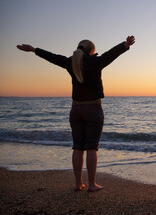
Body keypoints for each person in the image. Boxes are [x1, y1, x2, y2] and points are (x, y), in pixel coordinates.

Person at [17, 36, 135, 192]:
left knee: (78, 147)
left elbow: (53, 57)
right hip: (93, 108)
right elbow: (110, 54)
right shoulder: (96, 62)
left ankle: (78, 184)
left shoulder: (70, 63)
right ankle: (92, 184)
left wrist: (34, 50)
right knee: (92, 147)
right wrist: (125, 45)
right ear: (91, 52)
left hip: (76, 110)